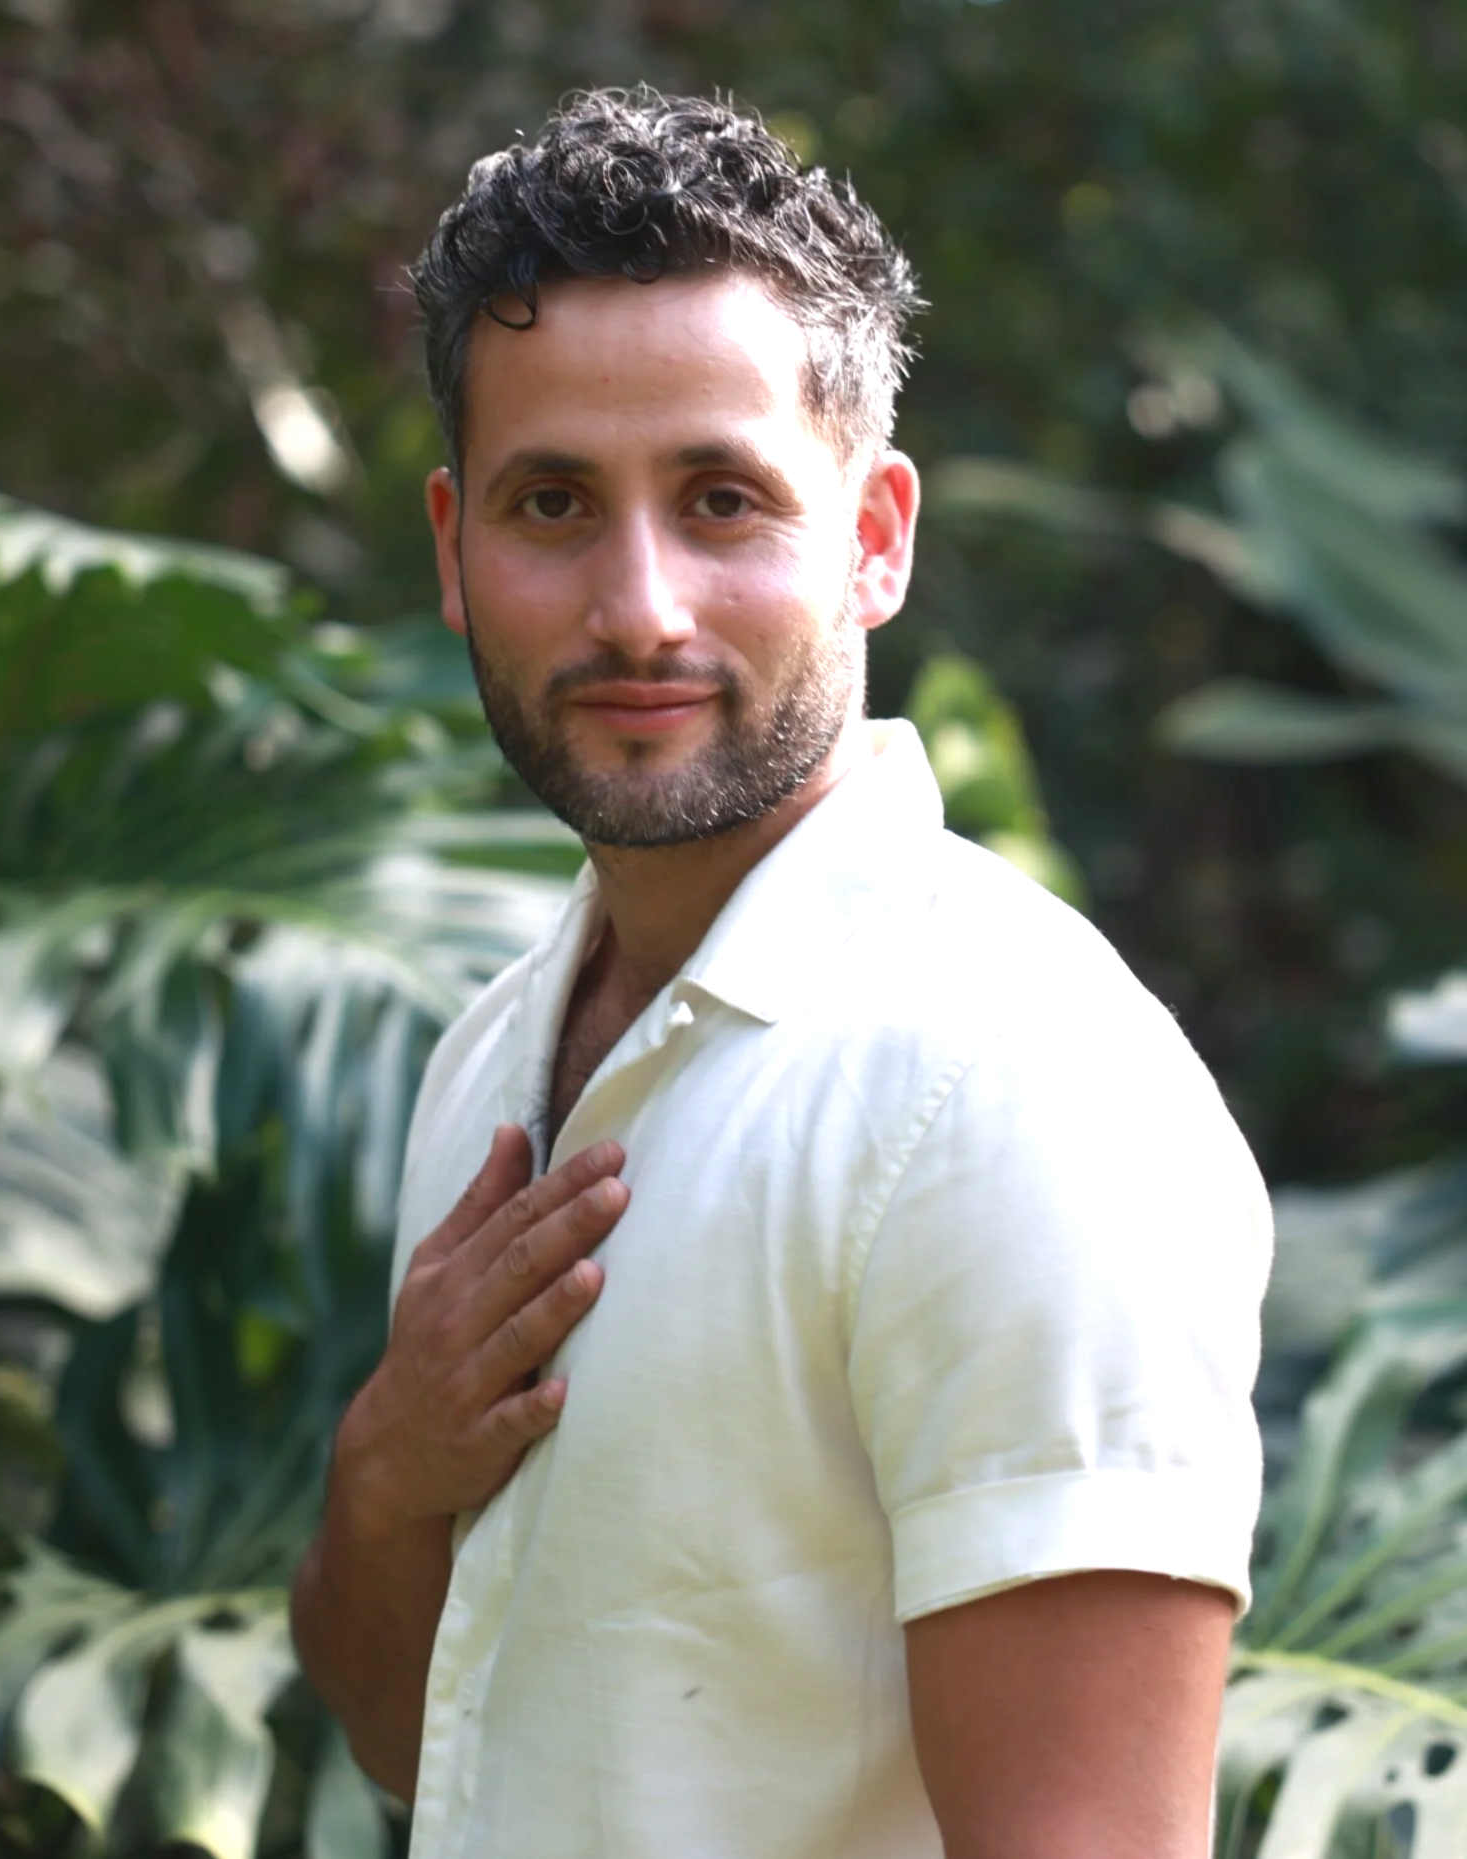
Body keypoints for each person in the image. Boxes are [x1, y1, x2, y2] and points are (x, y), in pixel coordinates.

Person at [291, 86, 1271, 1859]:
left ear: (876, 536)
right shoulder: (494, 1056)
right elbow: (407, 1736)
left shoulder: (1011, 1088)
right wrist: (389, 1468)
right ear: (451, 548)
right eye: (553, 503)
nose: (639, 605)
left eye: (724, 498)